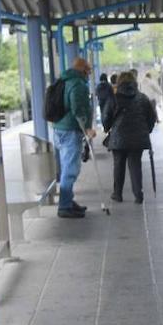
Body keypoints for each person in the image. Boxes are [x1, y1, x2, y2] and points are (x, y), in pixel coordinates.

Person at [102, 70, 157, 204]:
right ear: (134, 82)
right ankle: (138, 195)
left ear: (119, 82)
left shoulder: (113, 98)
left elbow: (106, 117)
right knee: (135, 166)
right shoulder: (142, 98)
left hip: (118, 138)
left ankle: (117, 194)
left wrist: (108, 128)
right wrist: (146, 131)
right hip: (138, 138)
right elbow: (152, 117)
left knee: (118, 166)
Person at [52, 57, 95, 219]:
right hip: (70, 130)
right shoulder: (77, 84)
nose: (89, 74)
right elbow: (78, 108)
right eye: (88, 71)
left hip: (60, 129)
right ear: (83, 70)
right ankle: (64, 206)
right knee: (70, 170)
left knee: (67, 167)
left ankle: (68, 200)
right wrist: (87, 128)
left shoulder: (64, 80)